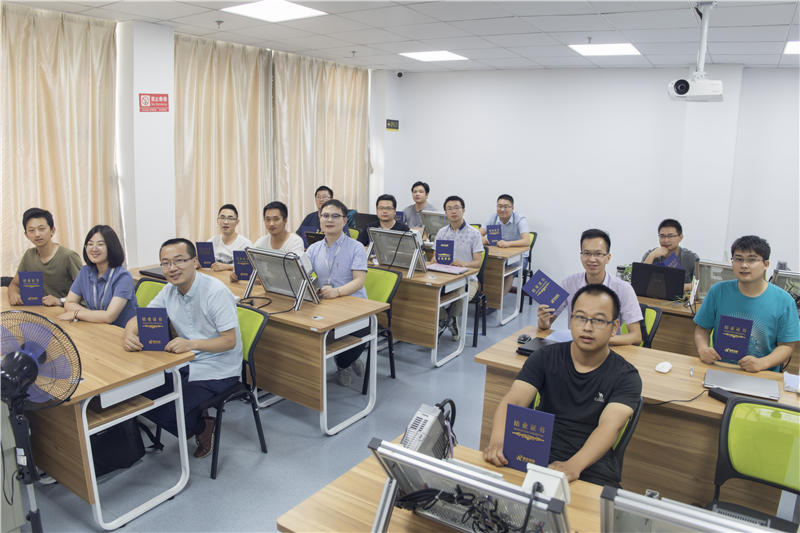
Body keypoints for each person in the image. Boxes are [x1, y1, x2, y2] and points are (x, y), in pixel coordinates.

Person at [483, 284, 642, 487]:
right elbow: (514, 400)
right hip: (536, 449)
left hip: (589, 463)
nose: (587, 327)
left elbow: (610, 426)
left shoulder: (626, 376)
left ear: (614, 327)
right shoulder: (545, 357)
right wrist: (498, 441)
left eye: (599, 320)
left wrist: (574, 465)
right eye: (580, 317)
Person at [123, 238, 242, 458]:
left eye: (179, 260)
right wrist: (129, 334)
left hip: (219, 367)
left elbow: (229, 341)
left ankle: (202, 426)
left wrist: (191, 344)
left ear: (194, 261)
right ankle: (196, 421)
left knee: (171, 411)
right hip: (185, 360)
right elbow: (139, 319)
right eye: (165, 263)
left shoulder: (215, 292)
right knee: (142, 396)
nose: (172, 268)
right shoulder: (169, 290)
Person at [693, 235, 800, 373]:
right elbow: (702, 330)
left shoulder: (784, 301)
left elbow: (787, 346)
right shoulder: (718, 291)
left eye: (752, 260)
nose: (744, 265)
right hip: (720, 368)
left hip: (762, 373)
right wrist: (703, 349)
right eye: (738, 259)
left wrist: (762, 363)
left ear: (766, 264)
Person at [537, 229, 643, 346]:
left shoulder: (623, 289)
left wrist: (598, 340)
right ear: (581, 256)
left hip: (607, 349)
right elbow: (546, 324)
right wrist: (543, 320)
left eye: (598, 254)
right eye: (587, 253)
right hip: (576, 348)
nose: (592, 259)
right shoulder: (569, 283)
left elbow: (636, 336)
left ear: (608, 258)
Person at [306, 199, 369, 387]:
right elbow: (305, 275)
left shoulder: (356, 247)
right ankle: (347, 359)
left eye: (335, 216)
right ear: (320, 219)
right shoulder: (313, 248)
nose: (329, 220)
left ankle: (345, 363)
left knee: (354, 334)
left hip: (353, 306)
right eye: (325, 215)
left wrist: (337, 292)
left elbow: (359, 280)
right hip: (325, 305)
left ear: (344, 220)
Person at [57, 225, 137, 328]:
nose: (94, 249)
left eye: (100, 244)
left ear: (111, 247)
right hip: (96, 327)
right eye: (90, 244)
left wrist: (76, 313)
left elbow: (109, 316)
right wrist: (94, 316)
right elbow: (69, 303)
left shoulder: (123, 277)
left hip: (122, 332)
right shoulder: (85, 272)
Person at [7, 207, 82, 307]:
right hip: (38, 311)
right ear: (26, 235)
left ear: (52, 230)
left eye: (41, 229)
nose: (37, 234)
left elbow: (85, 292)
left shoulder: (69, 256)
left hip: (63, 311)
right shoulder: (29, 255)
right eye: (31, 230)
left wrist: (59, 301)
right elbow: (14, 284)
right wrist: (13, 294)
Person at [433, 195, 484, 339]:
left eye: (456, 208)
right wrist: (435, 259)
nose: (453, 211)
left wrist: (463, 264)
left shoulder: (474, 234)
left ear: (463, 210)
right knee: (428, 293)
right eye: (449, 209)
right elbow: (434, 257)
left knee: (459, 295)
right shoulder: (442, 232)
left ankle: (447, 319)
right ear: (445, 212)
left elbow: (478, 263)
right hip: (445, 278)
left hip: (468, 279)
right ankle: (447, 320)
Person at [233, 201, 305, 283]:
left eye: (276, 219)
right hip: (266, 286)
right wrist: (236, 274)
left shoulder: (295, 241)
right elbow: (250, 265)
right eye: (267, 219)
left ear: (285, 220)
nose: (271, 224)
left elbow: (296, 272)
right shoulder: (261, 242)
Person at [480, 193, 530, 293]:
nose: (502, 209)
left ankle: (498, 298)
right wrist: (484, 239)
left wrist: (508, 244)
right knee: (485, 264)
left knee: (507, 269)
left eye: (506, 206)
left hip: (519, 256)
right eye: (499, 206)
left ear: (512, 208)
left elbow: (526, 241)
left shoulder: (520, 219)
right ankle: (485, 296)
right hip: (498, 253)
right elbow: (478, 235)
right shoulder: (493, 217)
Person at [641, 218, 699, 289]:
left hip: (680, 296)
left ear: (680, 237)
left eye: (670, 236)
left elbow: (700, 285)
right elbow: (640, 281)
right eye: (662, 236)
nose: (666, 240)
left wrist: (674, 287)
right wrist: (651, 256)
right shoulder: (650, 254)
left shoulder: (690, 257)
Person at [208, 204, 252, 272]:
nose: (226, 222)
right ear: (217, 220)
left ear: (237, 222)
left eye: (230, 218)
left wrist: (228, 267)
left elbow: (248, 269)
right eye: (222, 218)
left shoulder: (245, 244)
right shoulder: (211, 242)